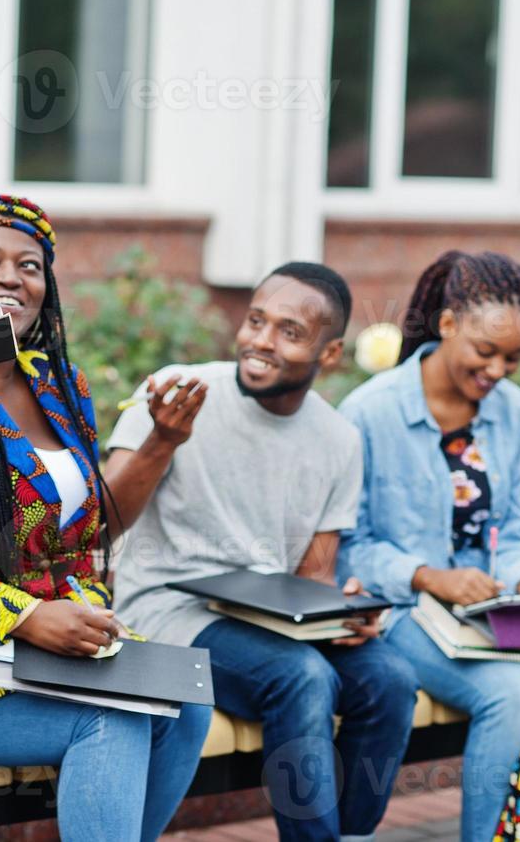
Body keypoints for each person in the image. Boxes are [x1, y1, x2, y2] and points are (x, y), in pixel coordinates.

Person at [0, 192, 212, 842]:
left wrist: (79, 609)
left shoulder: (63, 387)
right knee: (112, 720)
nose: (11, 277)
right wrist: (21, 615)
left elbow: (77, 537)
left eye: (30, 265)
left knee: (184, 708)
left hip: (40, 643)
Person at [105, 262, 419, 842]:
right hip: (169, 612)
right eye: (255, 321)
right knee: (301, 677)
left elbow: (315, 574)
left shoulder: (338, 439)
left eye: (289, 332)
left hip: (270, 614)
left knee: (391, 679)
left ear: (329, 355)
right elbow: (102, 522)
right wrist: (162, 439)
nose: (261, 342)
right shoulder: (181, 388)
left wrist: (343, 613)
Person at [337, 250, 520, 842]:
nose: (499, 371)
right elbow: (347, 546)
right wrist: (430, 575)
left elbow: (514, 534)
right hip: (406, 609)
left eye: (512, 357)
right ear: (449, 324)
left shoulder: (512, 414)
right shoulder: (370, 412)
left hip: (498, 611)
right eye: (486, 352)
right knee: (511, 696)